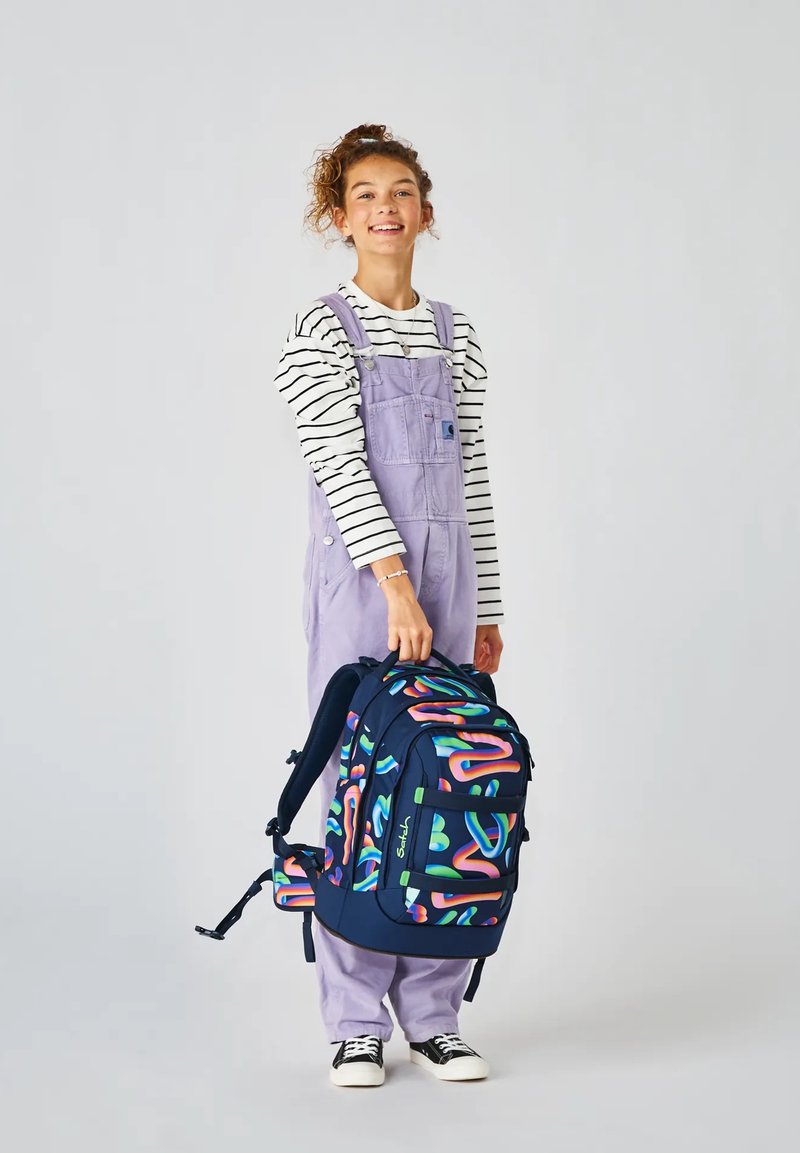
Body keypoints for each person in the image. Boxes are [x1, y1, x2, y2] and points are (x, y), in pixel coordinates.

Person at [272, 124, 506, 1087]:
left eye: (400, 191)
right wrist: (397, 586)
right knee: (359, 783)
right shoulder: (322, 329)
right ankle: (355, 1021)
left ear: (425, 211)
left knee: (447, 780)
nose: (384, 208)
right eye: (364, 194)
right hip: (367, 584)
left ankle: (435, 1015)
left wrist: (486, 605)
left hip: (451, 583)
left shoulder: (457, 333)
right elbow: (338, 463)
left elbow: (473, 474)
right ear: (340, 217)